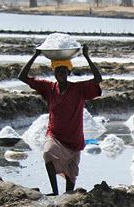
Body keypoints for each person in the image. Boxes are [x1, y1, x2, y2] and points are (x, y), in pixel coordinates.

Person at [19, 44, 102, 196]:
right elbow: (22, 77)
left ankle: (66, 196)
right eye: (58, 71)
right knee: (48, 153)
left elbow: (98, 79)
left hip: (74, 139)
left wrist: (87, 56)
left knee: (71, 177)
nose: (61, 74)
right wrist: (35, 56)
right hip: (55, 135)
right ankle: (54, 191)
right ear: (54, 73)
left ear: (68, 72)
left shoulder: (78, 89)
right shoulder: (48, 88)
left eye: (64, 71)